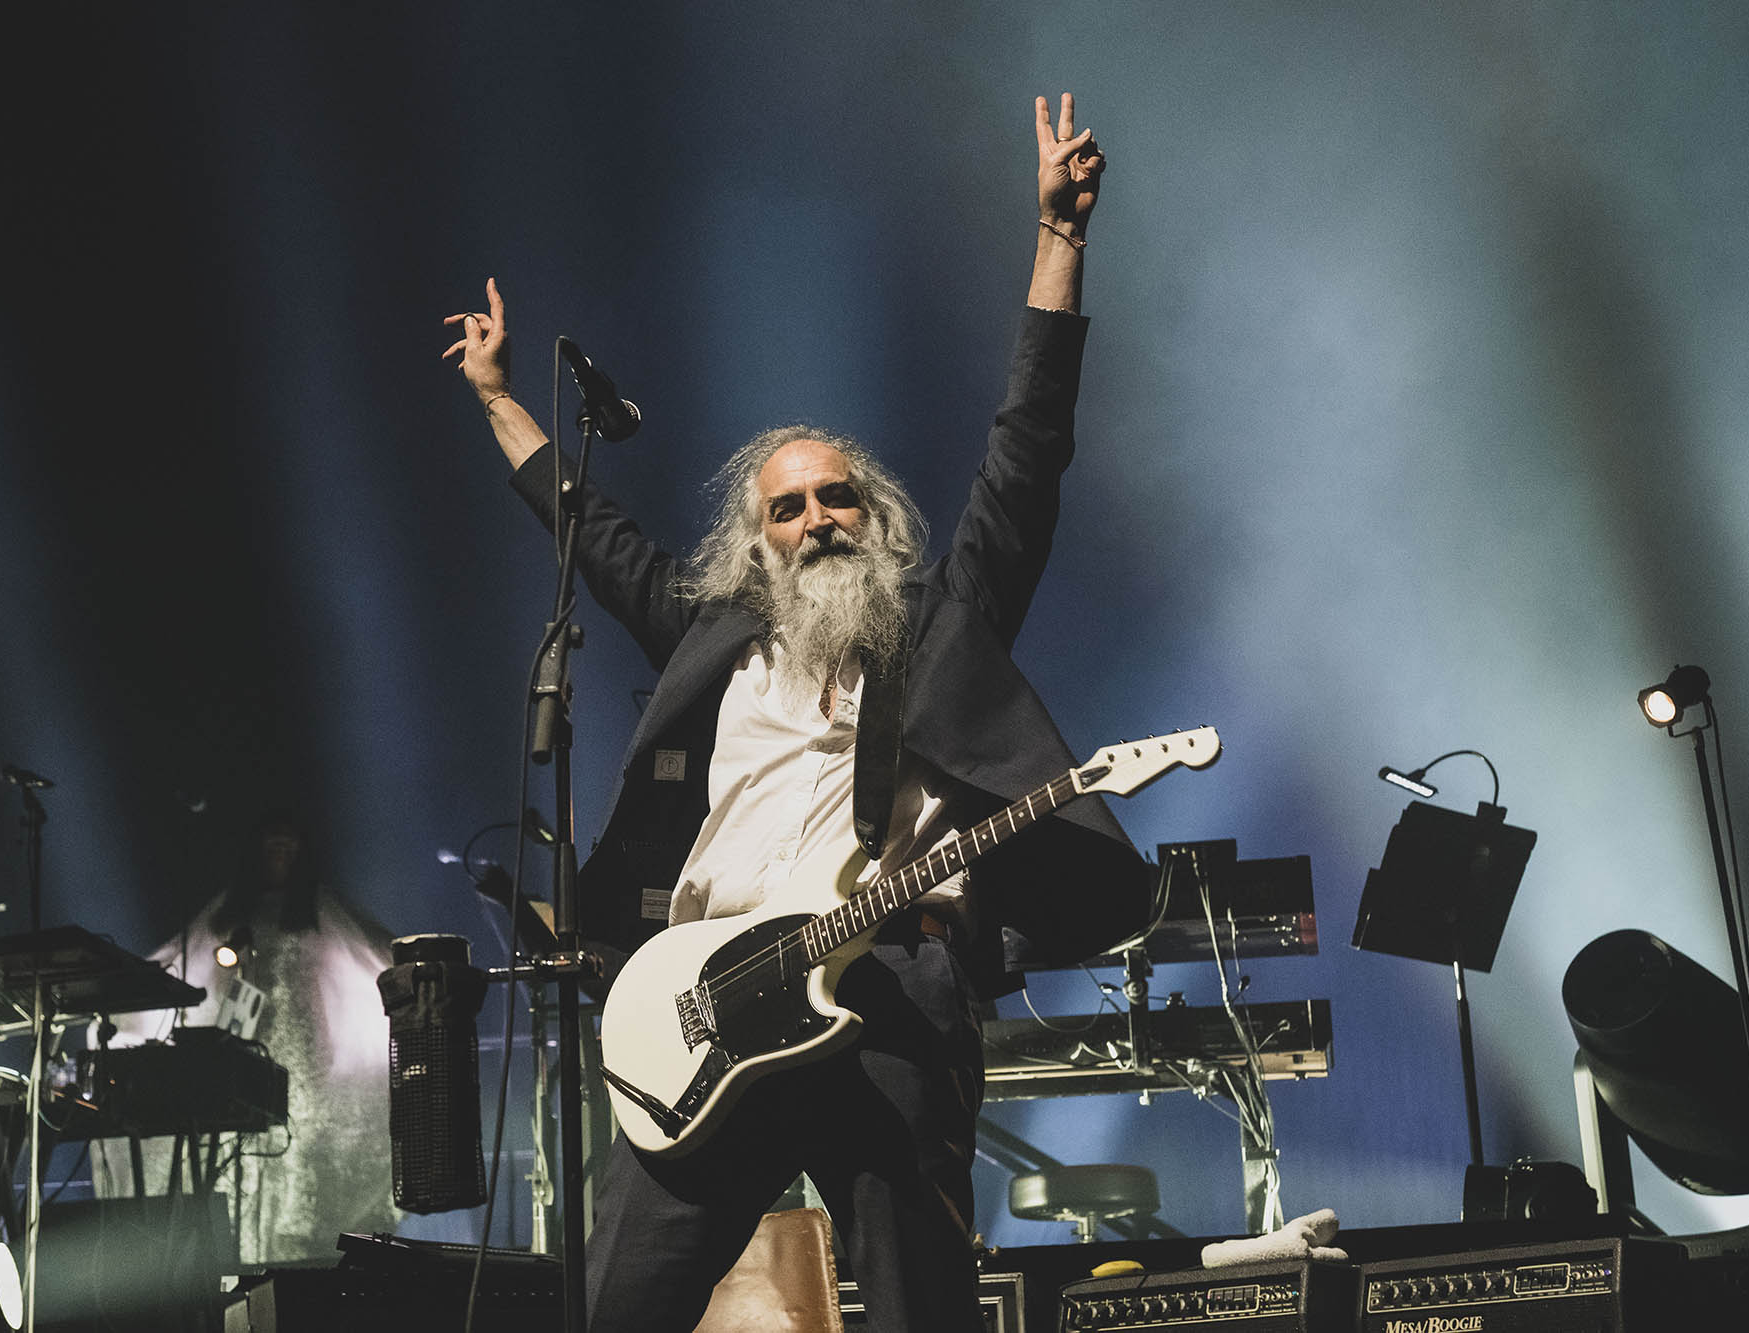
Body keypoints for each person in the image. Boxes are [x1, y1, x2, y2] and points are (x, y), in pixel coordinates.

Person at [444, 93, 1151, 1331]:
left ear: (874, 519)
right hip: (707, 1006)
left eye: (838, 498)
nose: (816, 517)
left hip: (884, 987)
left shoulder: (939, 623)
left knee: (919, 1298)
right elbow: (592, 538)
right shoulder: (715, 638)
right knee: (621, 1303)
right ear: (755, 542)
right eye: (788, 506)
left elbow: (1027, 452)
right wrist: (499, 398)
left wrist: (1058, 243)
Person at [90, 810, 401, 1265]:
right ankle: (248, 1259)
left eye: (288, 842)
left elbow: (372, 945)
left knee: (302, 1146)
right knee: (246, 1147)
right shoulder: (231, 910)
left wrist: (419, 965)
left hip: (307, 1049)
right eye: (272, 841)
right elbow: (182, 957)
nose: (280, 850)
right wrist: (120, 991)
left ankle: (302, 1254)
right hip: (247, 1047)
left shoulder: (318, 907)